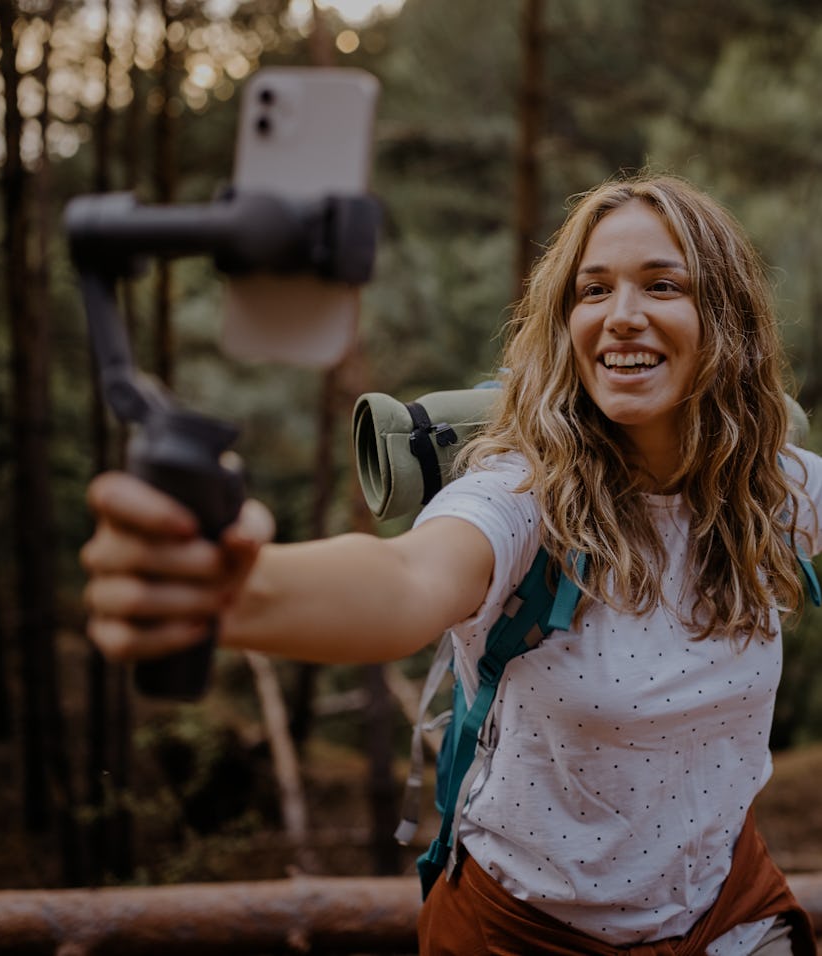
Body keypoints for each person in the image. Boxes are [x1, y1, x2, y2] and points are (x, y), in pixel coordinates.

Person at [81, 173, 821, 955]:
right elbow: (407, 582)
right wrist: (235, 588)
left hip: (727, 914)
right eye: (592, 290)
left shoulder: (774, 487)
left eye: (663, 285)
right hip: (527, 933)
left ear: (727, 320)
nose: (621, 317)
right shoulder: (521, 492)